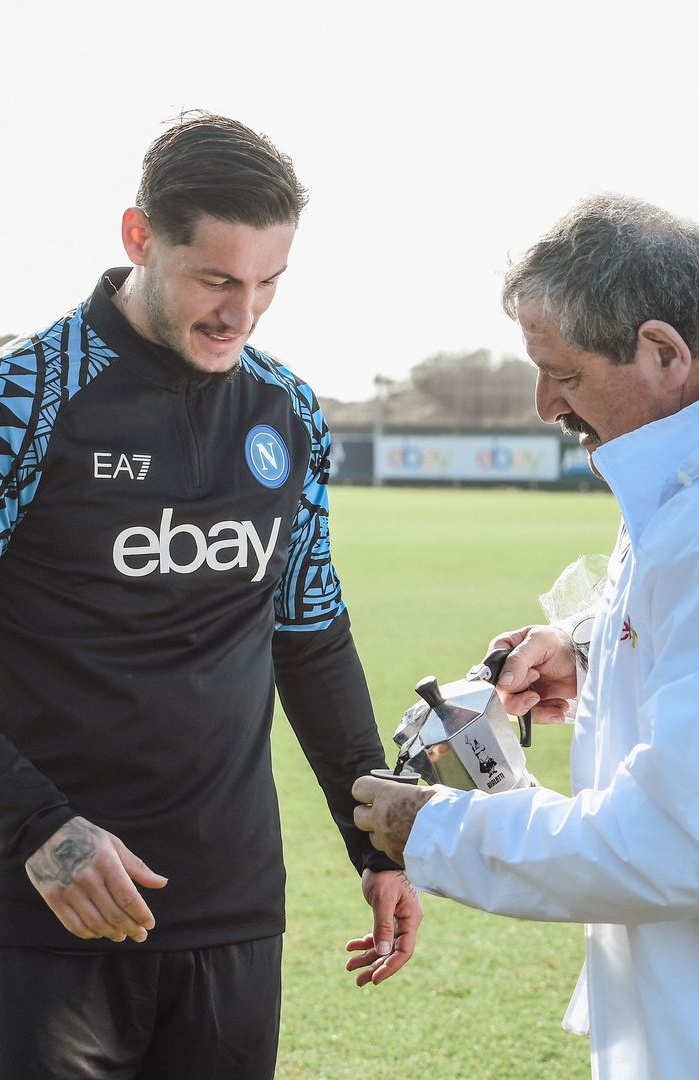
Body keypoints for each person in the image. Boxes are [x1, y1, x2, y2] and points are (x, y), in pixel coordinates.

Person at [0, 111, 421, 1080]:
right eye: (216, 279)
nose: (241, 314)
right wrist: (38, 829)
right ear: (140, 238)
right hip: (50, 902)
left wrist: (375, 842)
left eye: (267, 285)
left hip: (232, 907)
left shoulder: (286, 409)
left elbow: (310, 633)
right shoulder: (18, 402)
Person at [352, 193, 699, 1080]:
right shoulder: (668, 476)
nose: (544, 403)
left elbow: (670, 840)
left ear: (664, 353)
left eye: (567, 375)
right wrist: (589, 648)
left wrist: (434, 831)